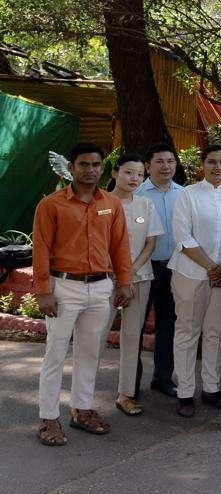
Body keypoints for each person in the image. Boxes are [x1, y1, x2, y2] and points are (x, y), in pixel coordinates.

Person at [32, 143, 134, 446]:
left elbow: (120, 246)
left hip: (101, 287)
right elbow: (41, 249)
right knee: (55, 353)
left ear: (103, 168)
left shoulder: (111, 204)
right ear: (71, 167)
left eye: (95, 165)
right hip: (64, 288)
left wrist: (124, 282)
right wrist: (42, 291)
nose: (90, 170)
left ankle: (82, 409)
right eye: (83, 164)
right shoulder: (51, 205)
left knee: (90, 352)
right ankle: (49, 417)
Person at [168, 145, 221, 418]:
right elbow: (182, 237)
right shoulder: (188, 194)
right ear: (203, 165)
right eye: (212, 162)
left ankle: (211, 388)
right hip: (190, 273)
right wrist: (212, 267)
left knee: (216, 331)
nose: (218, 167)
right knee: (187, 331)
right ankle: (185, 392)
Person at [111, 154, 163, 417]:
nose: (134, 179)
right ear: (114, 173)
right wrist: (119, 275)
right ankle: (82, 400)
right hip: (104, 280)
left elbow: (151, 243)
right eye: (128, 173)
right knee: (93, 339)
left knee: (132, 337)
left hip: (139, 278)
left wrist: (128, 272)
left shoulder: (145, 205)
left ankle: (125, 394)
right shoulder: (102, 203)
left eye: (139, 175)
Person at [137, 142, 183, 399]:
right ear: (147, 165)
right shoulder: (139, 195)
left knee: (169, 325)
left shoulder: (184, 195)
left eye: (170, 161)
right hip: (144, 268)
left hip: (174, 268)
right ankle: (130, 383)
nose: (166, 166)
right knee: (136, 325)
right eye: (160, 161)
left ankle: (163, 377)